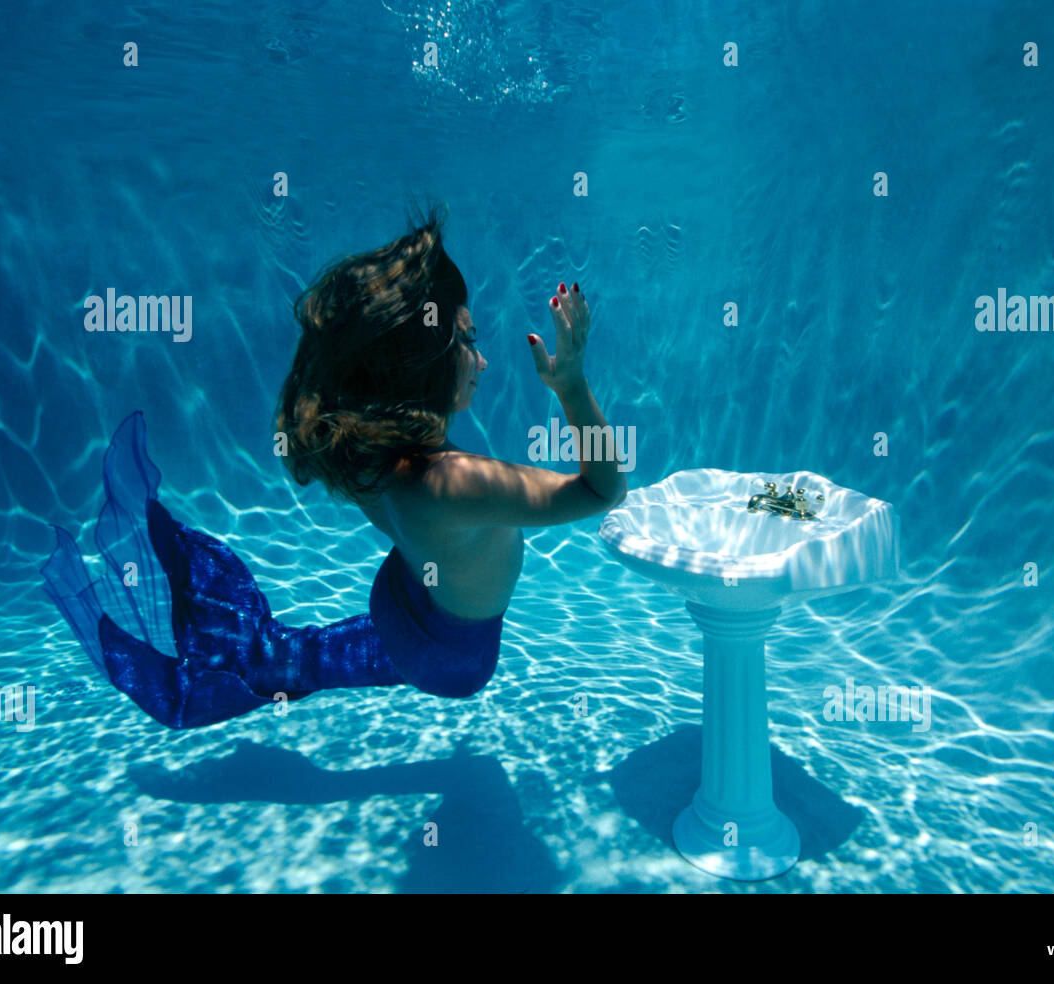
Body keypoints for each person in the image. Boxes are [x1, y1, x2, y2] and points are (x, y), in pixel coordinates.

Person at [41, 205, 626, 729]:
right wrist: (570, 385)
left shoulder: (371, 448)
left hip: (403, 601)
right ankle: (249, 663)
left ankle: (258, 656)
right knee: (298, 660)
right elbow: (604, 491)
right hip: (453, 657)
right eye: (468, 341)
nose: (484, 359)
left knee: (307, 658)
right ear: (426, 359)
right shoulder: (454, 482)